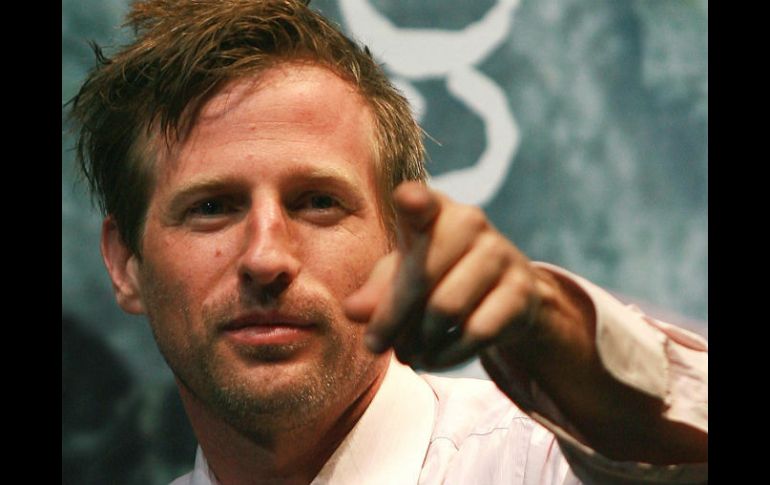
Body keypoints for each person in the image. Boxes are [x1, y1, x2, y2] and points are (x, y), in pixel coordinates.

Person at [67, 1, 708, 483]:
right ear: (125, 263)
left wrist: (551, 327)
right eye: (211, 208)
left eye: (318, 202)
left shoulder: (536, 466)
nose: (266, 257)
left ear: (400, 243)